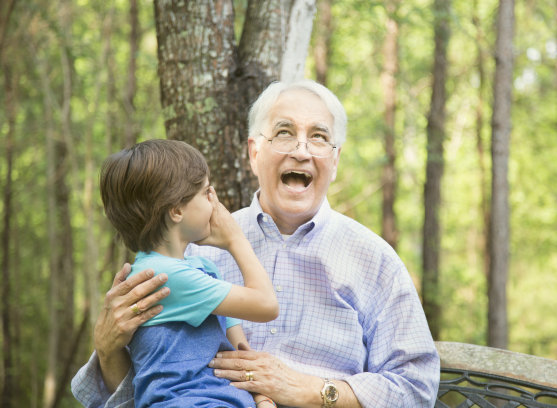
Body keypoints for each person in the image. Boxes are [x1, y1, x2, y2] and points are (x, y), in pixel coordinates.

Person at [72, 80, 440, 407]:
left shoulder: (374, 260)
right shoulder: (191, 251)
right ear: (254, 152)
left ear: (335, 158)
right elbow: (146, 386)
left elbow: (416, 389)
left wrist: (313, 391)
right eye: (284, 132)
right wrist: (107, 350)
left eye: (319, 137)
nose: (302, 150)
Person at [94, 139, 279, 407]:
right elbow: (266, 305)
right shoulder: (163, 276)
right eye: (206, 192)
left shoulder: (201, 271)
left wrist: (262, 400)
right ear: (177, 210)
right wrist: (235, 240)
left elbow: (240, 353)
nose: (215, 203)